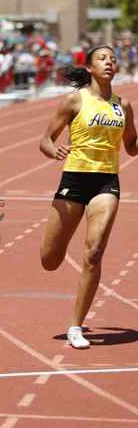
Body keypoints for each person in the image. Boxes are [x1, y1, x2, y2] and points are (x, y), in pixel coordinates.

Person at [39, 45, 138, 349]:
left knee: (94, 254)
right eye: (102, 59)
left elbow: (131, 147)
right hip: (74, 180)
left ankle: (76, 326)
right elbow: (45, 140)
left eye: (112, 59)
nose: (109, 62)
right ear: (90, 68)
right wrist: (53, 150)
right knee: (50, 260)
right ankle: (55, 250)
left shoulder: (123, 106)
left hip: (106, 182)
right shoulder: (75, 100)